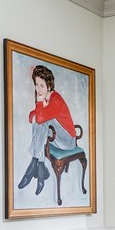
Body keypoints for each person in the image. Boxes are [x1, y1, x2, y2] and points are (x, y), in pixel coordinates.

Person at [17, 64, 78, 195]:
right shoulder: (46, 99)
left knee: (42, 121)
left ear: (49, 86)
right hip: (56, 137)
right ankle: (40, 167)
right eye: (36, 85)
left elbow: (39, 118)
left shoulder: (56, 100)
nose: (38, 89)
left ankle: (34, 166)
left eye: (42, 86)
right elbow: (31, 117)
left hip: (68, 141)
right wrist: (39, 112)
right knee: (41, 123)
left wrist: (39, 105)